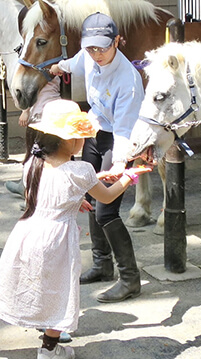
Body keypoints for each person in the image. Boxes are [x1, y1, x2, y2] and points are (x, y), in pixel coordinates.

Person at [0, 99, 151, 359]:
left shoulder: (32, 164)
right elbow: (106, 196)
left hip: (27, 233)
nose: (84, 141)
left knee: (25, 283)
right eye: (81, 136)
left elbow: (44, 193)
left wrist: (74, 199)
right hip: (56, 241)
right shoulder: (80, 169)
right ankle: (49, 349)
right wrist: (128, 176)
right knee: (59, 290)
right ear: (70, 141)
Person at [50, 12, 145, 303]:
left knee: (106, 210)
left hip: (117, 141)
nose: (96, 54)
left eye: (103, 47)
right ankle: (102, 265)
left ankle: (130, 279)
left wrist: (120, 164)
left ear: (117, 40)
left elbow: (125, 130)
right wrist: (56, 67)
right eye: (91, 47)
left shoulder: (128, 80)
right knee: (89, 198)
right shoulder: (89, 56)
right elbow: (74, 63)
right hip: (93, 132)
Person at [5, 76, 61, 199]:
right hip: (54, 112)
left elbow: (32, 90)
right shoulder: (55, 67)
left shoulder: (38, 67)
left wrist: (25, 111)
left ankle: (29, 192)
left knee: (34, 157)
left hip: (40, 115)